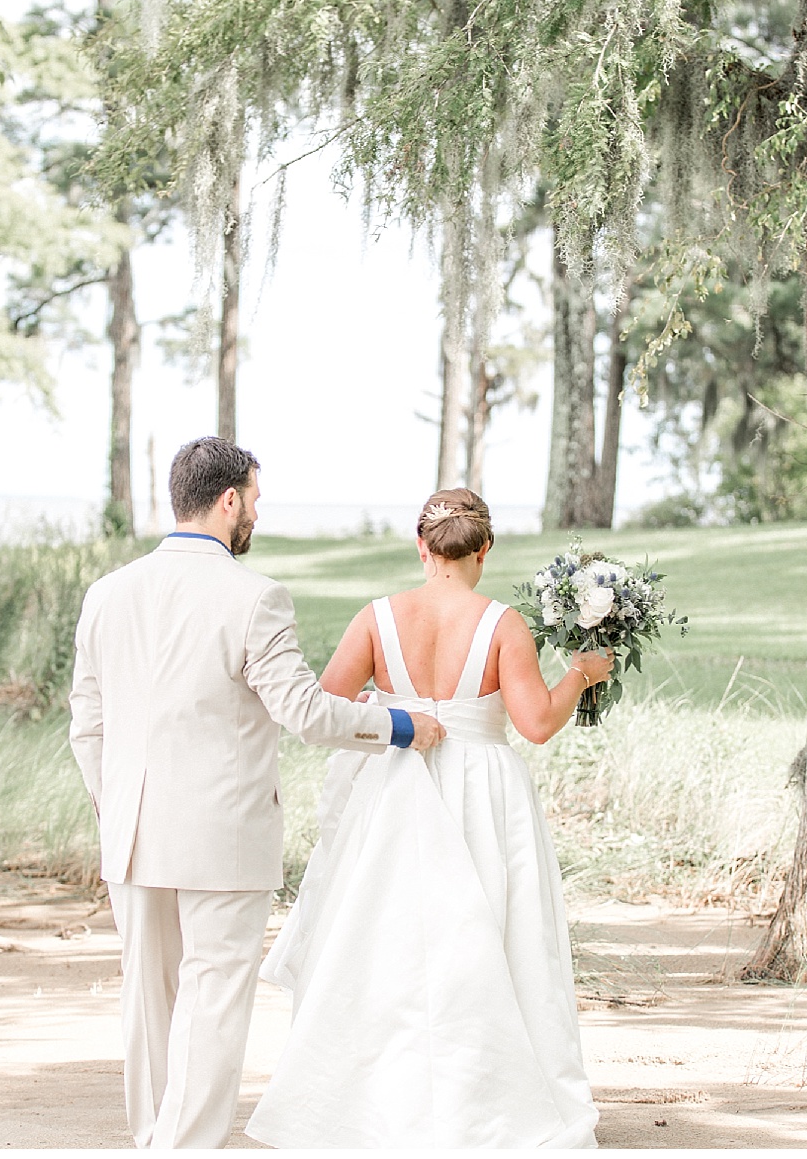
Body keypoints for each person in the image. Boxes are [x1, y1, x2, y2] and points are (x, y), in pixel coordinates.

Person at [67, 437, 446, 1150]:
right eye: (255, 501)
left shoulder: (107, 594)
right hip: (222, 836)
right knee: (212, 1002)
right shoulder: (254, 595)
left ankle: (154, 1140)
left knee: (148, 1003)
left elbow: (86, 726)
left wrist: (113, 801)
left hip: (129, 833)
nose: (256, 517)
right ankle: (185, 1147)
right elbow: (304, 712)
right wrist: (399, 723)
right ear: (229, 499)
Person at [247, 487, 613, 1149]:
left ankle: (379, 1101)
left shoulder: (375, 618)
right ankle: (490, 1097)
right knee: (491, 944)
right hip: (484, 796)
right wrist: (582, 674)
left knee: (387, 941)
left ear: (421, 547)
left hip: (394, 787)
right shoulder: (502, 624)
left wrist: (376, 707)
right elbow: (534, 724)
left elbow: (324, 712)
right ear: (484, 549)